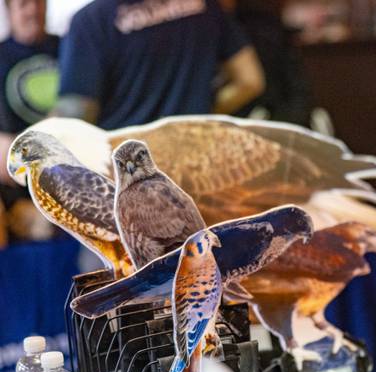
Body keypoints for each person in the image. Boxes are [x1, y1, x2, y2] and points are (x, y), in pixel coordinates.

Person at [53, 0, 266, 129]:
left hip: (125, 171)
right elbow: (250, 80)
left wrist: (31, 142)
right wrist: (202, 114)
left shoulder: (91, 21)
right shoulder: (205, 5)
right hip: (195, 158)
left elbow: (76, 113)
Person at [0, 0, 58, 241]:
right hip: (17, 180)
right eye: (24, 4)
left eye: (38, 2)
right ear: (9, 11)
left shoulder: (69, 46)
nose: (33, 10)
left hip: (70, 170)